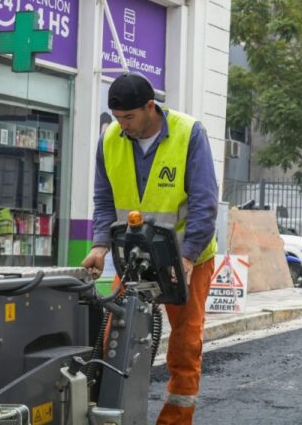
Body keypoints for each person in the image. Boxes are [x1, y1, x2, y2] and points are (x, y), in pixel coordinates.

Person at [82, 72, 218, 424]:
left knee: (185, 344)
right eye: (117, 118)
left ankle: (175, 419)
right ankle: (116, 414)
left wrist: (186, 257)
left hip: (187, 257)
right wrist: (99, 245)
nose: (123, 125)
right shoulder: (110, 139)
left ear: (150, 106)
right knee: (114, 335)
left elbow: (204, 203)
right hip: (136, 258)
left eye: (129, 118)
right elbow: (103, 199)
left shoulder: (190, 134)